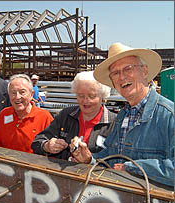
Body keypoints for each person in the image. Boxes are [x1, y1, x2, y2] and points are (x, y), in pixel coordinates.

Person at [90, 42, 174, 187]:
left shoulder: (169, 116)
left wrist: (132, 168)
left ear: (145, 71)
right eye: (115, 73)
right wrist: (89, 159)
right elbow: (112, 155)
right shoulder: (123, 115)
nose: (122, 77)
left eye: (128, 69)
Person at [31, 71, 116, 163]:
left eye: (91, 96)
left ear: (102, 97)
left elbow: (116, 161)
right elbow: (37, 142)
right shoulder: (66, 115)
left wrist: (90, 161)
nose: (85, 101)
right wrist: (47, 146)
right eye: (80, 95)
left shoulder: (114, 122)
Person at [0, 74, 53, 153]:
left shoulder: (45, 117)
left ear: (31, 94)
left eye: (22, 92)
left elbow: (53, 151)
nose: (17, 97)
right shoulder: (4, 114)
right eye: (13, 93)